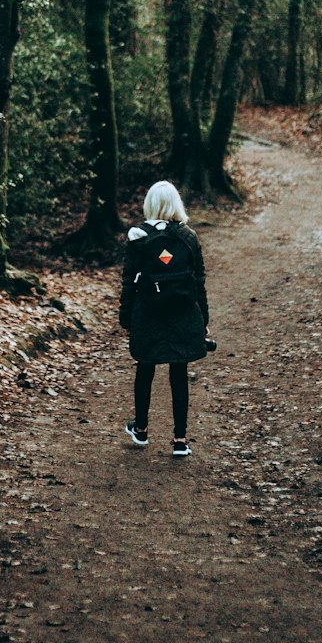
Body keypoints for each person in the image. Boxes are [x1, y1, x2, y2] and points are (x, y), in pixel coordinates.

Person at [118, 180, 209, 457]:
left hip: (148, 312)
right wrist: (203, 318)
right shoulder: (189, 237)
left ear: (150, 204)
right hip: (182, 312)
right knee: (178, 371)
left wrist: (126, 318)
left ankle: (142, 430)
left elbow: (129, 282)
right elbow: (199, 281)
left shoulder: (138, 237)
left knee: (145, 366)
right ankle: (180, 440)